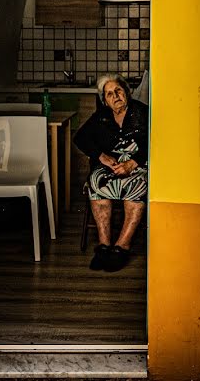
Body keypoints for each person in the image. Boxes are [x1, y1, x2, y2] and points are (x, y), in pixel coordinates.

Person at [74, 74, 148, 273]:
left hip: (136, 166)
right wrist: (101, 157)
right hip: (110, 167)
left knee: (138, 184)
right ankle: (104, 246)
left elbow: (155, 141)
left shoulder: (142, 112)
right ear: (104, 100)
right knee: (97, 181)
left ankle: (122, 246)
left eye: (118, 90)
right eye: (109, 94)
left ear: (126, 92)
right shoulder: (102, 116)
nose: (115, 96)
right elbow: (80, 138)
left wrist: (133, 163)